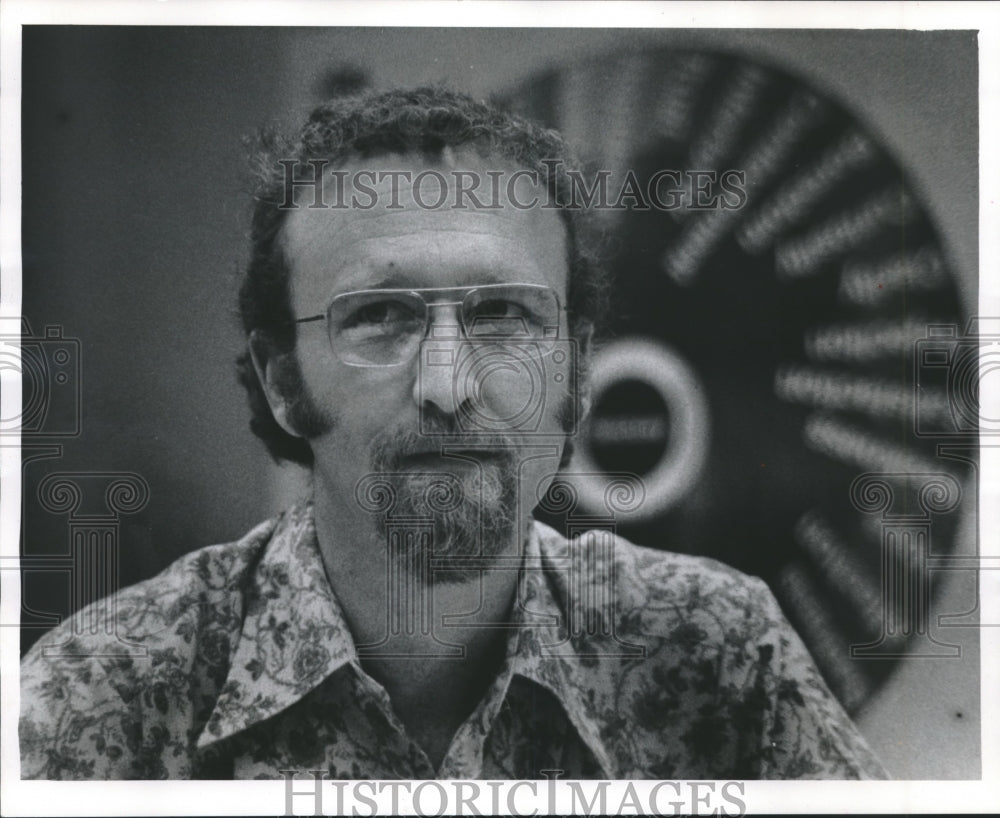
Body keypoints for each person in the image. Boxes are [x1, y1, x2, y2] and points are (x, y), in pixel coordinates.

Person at [20, 86, 886, 780]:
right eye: (382, 317)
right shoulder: (109, 696)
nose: (448, 384)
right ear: (284, 381)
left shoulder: (718, 656)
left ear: (577, 372)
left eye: (504, 314)